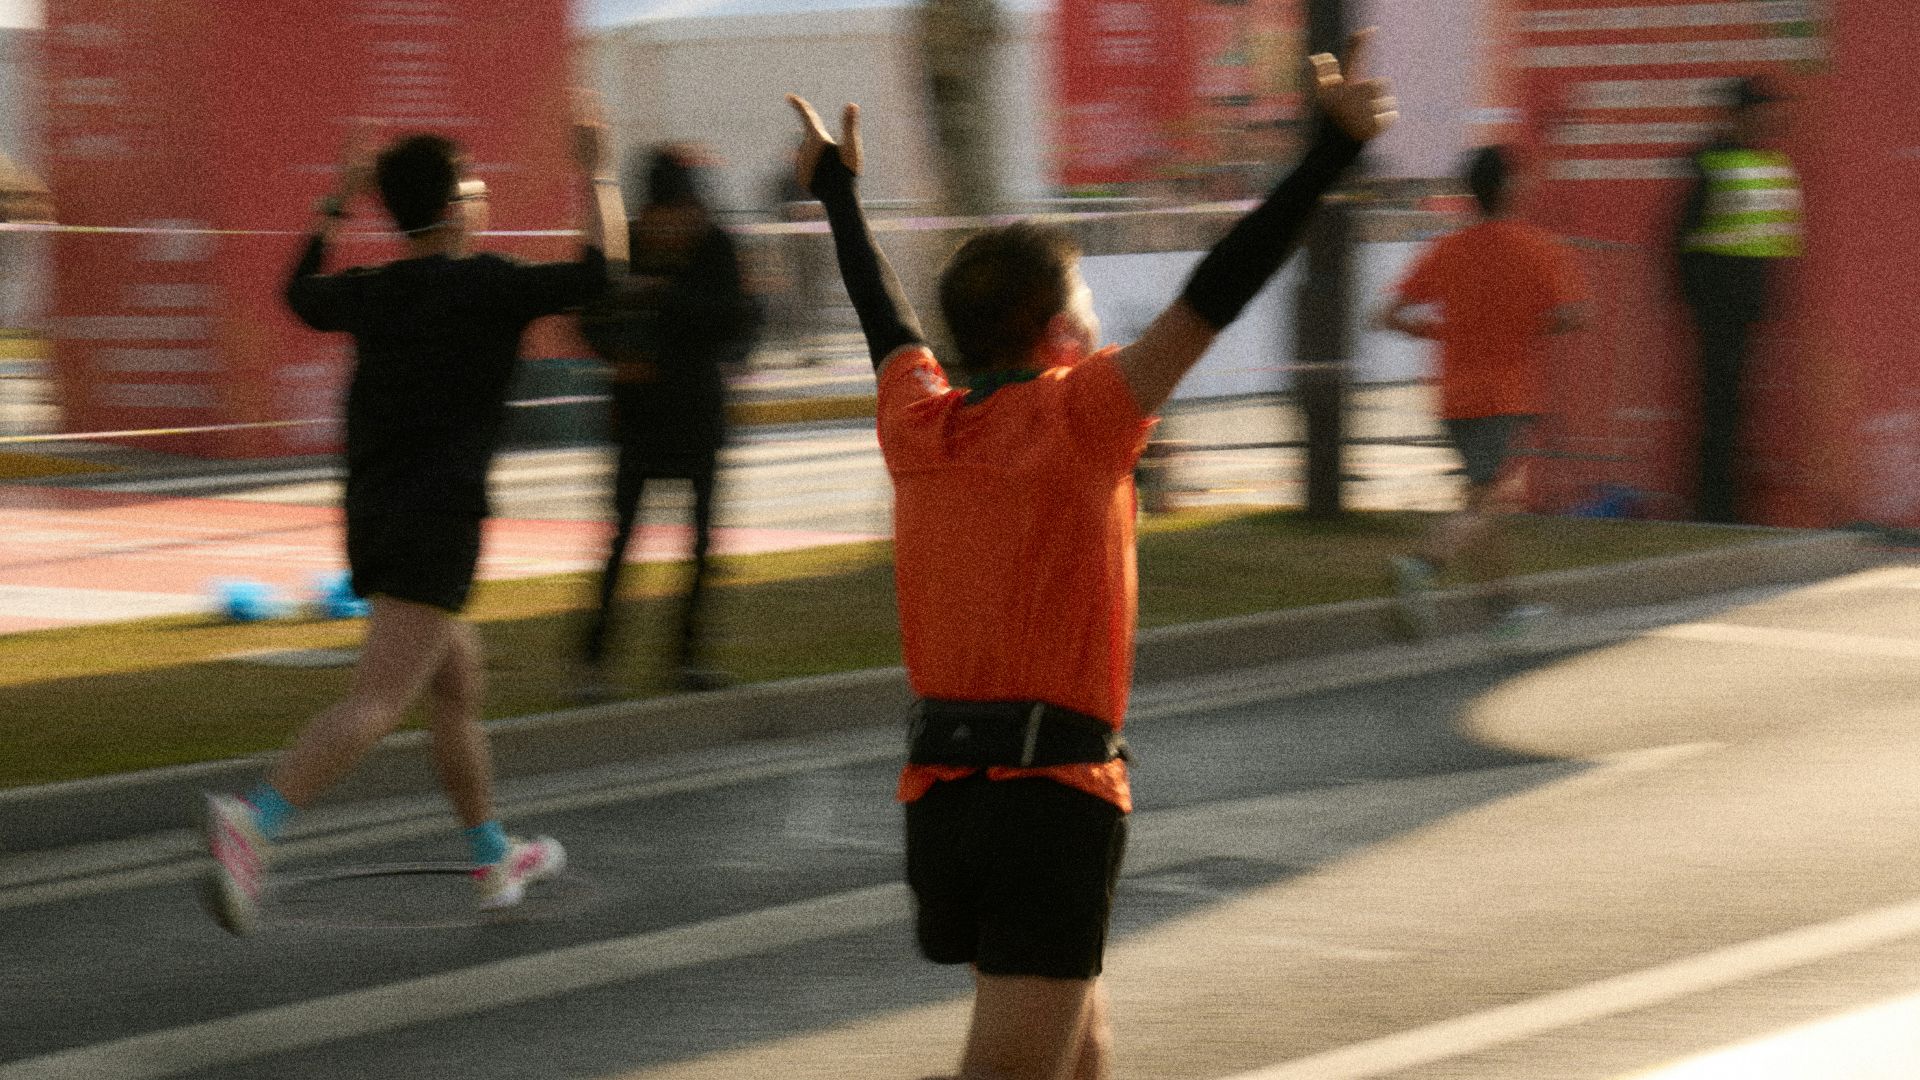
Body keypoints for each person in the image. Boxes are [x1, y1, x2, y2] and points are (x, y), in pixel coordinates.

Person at [785, 29, 1393, 1080]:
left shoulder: (920, 423)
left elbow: (881, 314)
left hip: (945, 798)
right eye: (1088, 302)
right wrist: (1330, 156)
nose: (1103, 320)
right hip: (1048, 796)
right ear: (1060, 331)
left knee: (1081, 1050)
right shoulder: (1086, 416)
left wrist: (838, 197)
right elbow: (1220, 289)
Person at [198, 98, 628, 936]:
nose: (484, 196)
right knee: (378, 700)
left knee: (457, 681)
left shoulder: (375, 290)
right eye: (475, 184)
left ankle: (491, 854)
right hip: (440, 521)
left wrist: (337, 198)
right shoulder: (492, 287)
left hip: (375, 514)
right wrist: (597, 167)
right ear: (456, 204)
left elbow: (297, 293)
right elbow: (601, 275)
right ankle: (253, 822)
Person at [1378, 145, 1588, 638]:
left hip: (1453, 397)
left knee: (1482, 501)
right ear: (1510, 188)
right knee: (1484, 504)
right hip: (1506, 396)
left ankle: (1505, 609)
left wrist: (1438, 332)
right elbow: (1574, 315)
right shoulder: (1539, 248)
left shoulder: (1447, 250)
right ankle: (1422, 565)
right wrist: (1525, 324)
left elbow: (1388, 315)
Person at [576, 145, 761, 697]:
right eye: (663, 213)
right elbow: (591, 313)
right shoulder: (624, 246)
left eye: (682, 210)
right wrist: (618, 355)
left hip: (698, 411)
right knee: (620, 541)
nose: (673, 223)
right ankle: (592, 664)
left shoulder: (715, 246)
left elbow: (735, 321)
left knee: (702, 544)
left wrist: (669, 295)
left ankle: (686, 660)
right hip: (638, 415)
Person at [1674, 75, 1801, 524]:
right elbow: (1684, 237)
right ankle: (1714, 509)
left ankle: (1725, 506)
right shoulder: (1711, 161)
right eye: (1761, 109)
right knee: (1719, 414)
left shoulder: (1763, 162)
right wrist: (1699, 300)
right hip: (1718, 310)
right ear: (1741, 114)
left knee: (1733, 410)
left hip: (1741, 308)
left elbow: (1765, 237)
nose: (1769, 117)